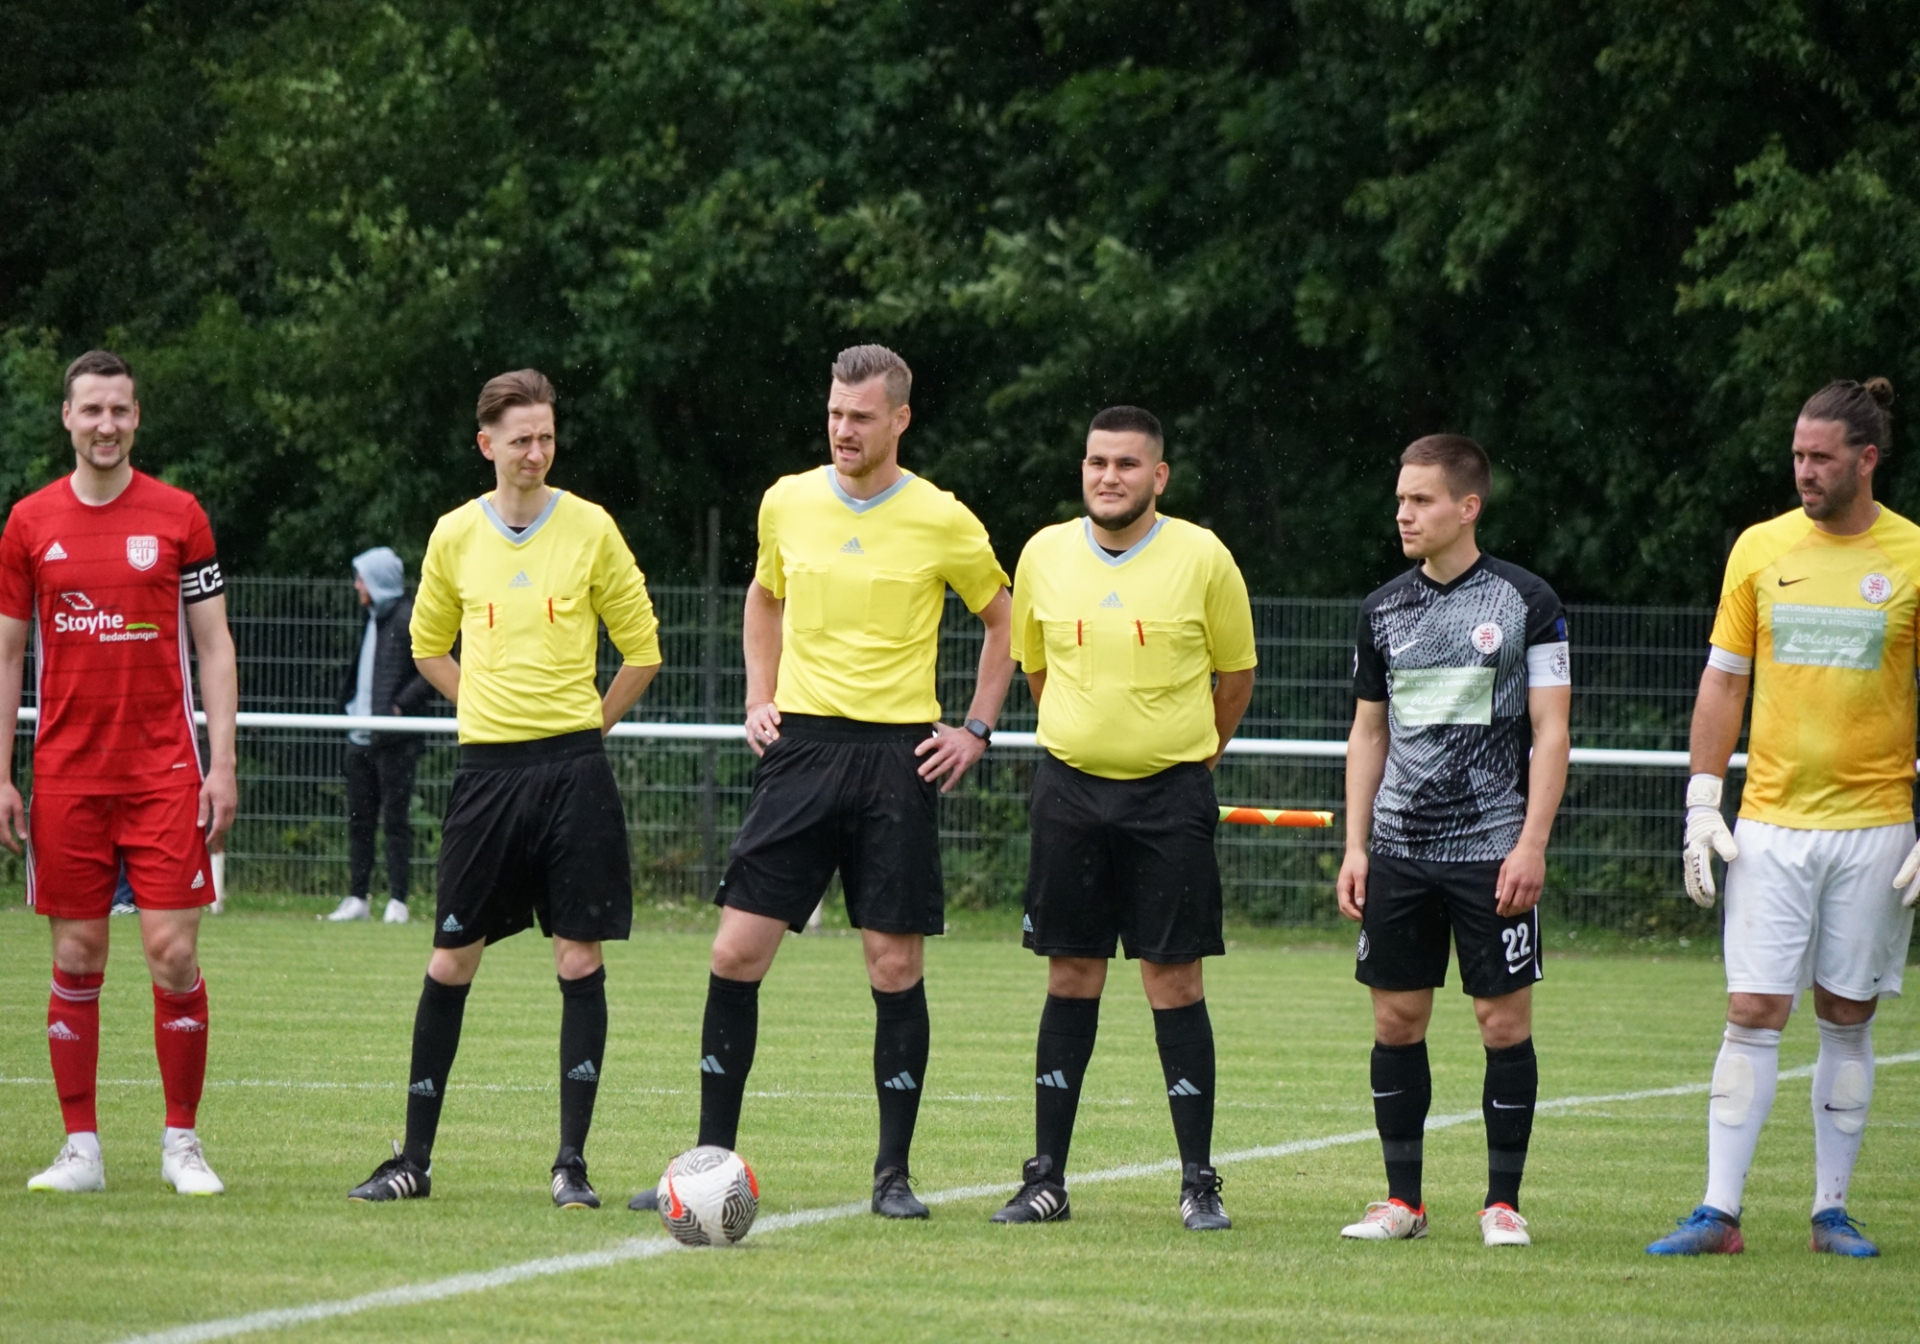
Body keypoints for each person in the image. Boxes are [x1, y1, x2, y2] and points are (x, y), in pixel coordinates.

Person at [631, 344, 1013, 1220]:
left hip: (896, 759)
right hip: (800, 750)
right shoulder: (787, 500)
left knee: (893, 964)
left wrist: (975, 730)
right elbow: (764, 597)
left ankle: (892, 1177)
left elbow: (1004, 621)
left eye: (861, 417)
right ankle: (708, 1164)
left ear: (900, 420)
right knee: (734, 952)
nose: (844, 429)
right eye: (836, 414)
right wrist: (758, 696)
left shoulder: (943, 518)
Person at [347, 369, 661, 1209]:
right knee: (451, 958)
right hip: (488, 773)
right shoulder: (454, 534)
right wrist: (484, 706)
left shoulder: (591, 528)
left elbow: (642, 649)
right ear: (486, 444)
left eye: (547, 436)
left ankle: (571, 1166)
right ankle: (412, 1161)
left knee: (578, 956)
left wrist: (590, 725)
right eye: (521, 438)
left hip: (574, 772)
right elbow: (427, 647)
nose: (536, 451)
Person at [1649, 378, 1917, 1259]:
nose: (1804, 471)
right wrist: (1702, 800)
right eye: (1797, 455)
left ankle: (1831, 1212)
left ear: (1866, 460)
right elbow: (1724, 680)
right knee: (1753, 1006)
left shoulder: (1912, 555)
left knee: (1846, 1012)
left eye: (1821, 457)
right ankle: (1717, 1212)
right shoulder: (1760, 549)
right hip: (1769, 822)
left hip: (1877, 824)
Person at [989, 406, 1256, 1231]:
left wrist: (1190, 761)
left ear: (1159, 476)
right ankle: (1046, 1180)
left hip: (1170, 798)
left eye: (1128, 464)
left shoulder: (1204, 557)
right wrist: (1086, 739)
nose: (1109, 476)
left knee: (1175, 981)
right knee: (1070, 977)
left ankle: (1199, 1183)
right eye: (1097, 461)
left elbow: (1235, 677)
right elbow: (1037, 669)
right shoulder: (1042, 553)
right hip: (1068, 794)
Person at [0, 349, 240, 1195]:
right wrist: (2, 774)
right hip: (67, 776)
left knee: (172, 952)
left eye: (120, 411)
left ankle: (182, 1144)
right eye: (92, 410)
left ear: (137, 418)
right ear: (67, 417)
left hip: (165, 773)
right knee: (77, 954)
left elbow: (214, 645)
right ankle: (82, 1150)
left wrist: (222, 763)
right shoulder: (28, 524)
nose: (106, 425)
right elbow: (7, 654)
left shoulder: (179, 516)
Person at [1336, 434, 1571, 1248]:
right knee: (1396, 1021)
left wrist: (1531, 843)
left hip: (1492, 849)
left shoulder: (1527, 600)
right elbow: (1369, 734)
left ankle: (1502, 1203)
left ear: (1468, 507)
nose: (1404, 513)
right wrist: (1356, 846)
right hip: (1399, 850)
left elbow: (1551, 731)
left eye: (1421, 500)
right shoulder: (1381, 609)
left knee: (1501, 1025)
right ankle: (1402, 1202)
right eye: (1400, 499)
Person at [327, 546, 434, 924]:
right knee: (360, 820)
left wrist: (399, 707)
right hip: (359, 736)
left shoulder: (407, 618)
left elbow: (433, 668)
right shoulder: (371, 618)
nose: (357, 585)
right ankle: (357, 898)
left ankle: (398, 901)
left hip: (394, 740)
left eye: (361, 578)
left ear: (376, 580)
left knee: (395, 820)